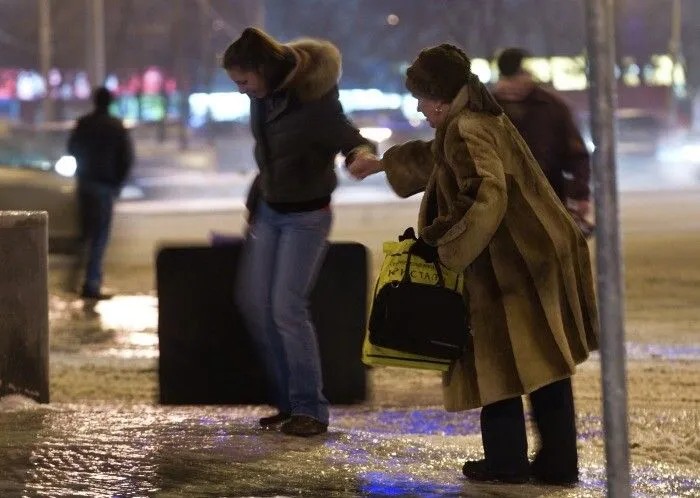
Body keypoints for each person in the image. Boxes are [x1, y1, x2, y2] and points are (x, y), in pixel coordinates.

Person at [349, 44, 599, 485]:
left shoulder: (466, 126)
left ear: (440, 97)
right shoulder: (476, 117)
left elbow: (485, 192)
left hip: (510, 262)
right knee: (544, 361)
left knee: (493, 360)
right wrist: (381, 165)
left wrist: (440, 242)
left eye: (421, 99)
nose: (419, 108)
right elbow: (438, 157)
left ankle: (506, 463)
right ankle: (558, 463)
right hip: (532, 253)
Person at [222, 27, 377, 437]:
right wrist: (258, 201)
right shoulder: (265, 95)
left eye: (243, 81)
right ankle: (288, 403)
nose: (240, 90)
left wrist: (361, 156)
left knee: (286, 308)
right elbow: (271, 157)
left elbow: (350, 136)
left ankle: (311, 408)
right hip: (270, 211)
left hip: (307, 216)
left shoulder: (314, 98)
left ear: (262, 69)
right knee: (254, 303)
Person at [493, 47, 592, 226]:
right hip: (500, 208)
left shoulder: (552, 107)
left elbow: (576, 155)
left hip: (548, 202)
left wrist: (580, 194)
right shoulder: (487, 109)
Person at [67, 86, 134, 300]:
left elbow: (71, 148)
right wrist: (118, 184)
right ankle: (91, 284)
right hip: (105, 186)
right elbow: (126, 158)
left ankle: (72, 281)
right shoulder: (116, 126)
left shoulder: (84, 123)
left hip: (85, 184)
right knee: (99, 237)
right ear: (110, 102)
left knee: (84, 233)